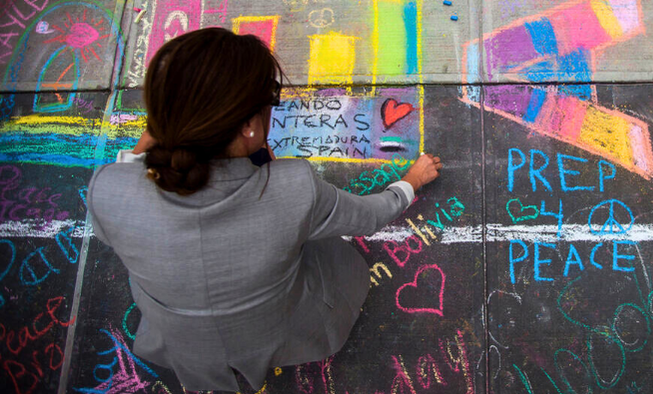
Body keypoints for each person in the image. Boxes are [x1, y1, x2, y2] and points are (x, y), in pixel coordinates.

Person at [86, 28, 442, 392]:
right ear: (249, 126)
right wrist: (411, 181)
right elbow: (368, 217)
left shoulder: (108, 189)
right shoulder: (294, 188)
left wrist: (143, 152)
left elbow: (112, 227)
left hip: (181, 343)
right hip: (280, 328)